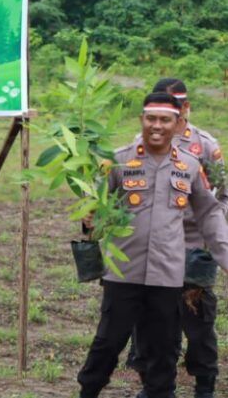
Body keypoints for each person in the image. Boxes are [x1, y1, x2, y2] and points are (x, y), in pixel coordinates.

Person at [76, 92, 228, 398]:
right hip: (124, 272)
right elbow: (93, 204)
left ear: (176, 124)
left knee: (163, 349)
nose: (156, 126)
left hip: (167, 275)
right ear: (141, 120)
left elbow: (209, 213)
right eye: (150, 118)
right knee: (108, 342)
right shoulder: (118, 160)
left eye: (164, 120)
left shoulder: (188, 165)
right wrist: (89, 219)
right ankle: (87, 391)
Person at [127, 79, 228, 398]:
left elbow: (223, 196)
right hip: (151, 249)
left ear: (186, 107)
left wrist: (214, 237)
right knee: (149, 321)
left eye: (179, 104)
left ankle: (204, 384)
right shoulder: (140, 142)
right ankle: (152, 383)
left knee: (198, 322)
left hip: (193, 247)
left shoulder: (205, 145)